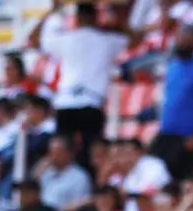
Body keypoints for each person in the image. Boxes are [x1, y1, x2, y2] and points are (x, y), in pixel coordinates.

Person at [32, 1, 133, 168]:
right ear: (95, 18)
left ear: (77, 18)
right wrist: (118, 21)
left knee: (63, 152)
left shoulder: (66, 38)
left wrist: (53, 10)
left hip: (66, 103)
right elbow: (135, 40)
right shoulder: (107, 40)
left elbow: (34, 40)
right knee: (89, 155)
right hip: (90, 103)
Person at [151, 24, 193, 182]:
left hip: (186, 136)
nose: (182, 43)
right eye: (181, 39)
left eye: (187, 40)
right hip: (166, 132)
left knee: (178, 179)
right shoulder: (172, 66)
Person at [34, 134, 92, 211]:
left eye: (57, 153)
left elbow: (83, 202)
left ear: (69, 154)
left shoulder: (79, 177)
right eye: (51, 153)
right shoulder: (47, 173)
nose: (53, 157)